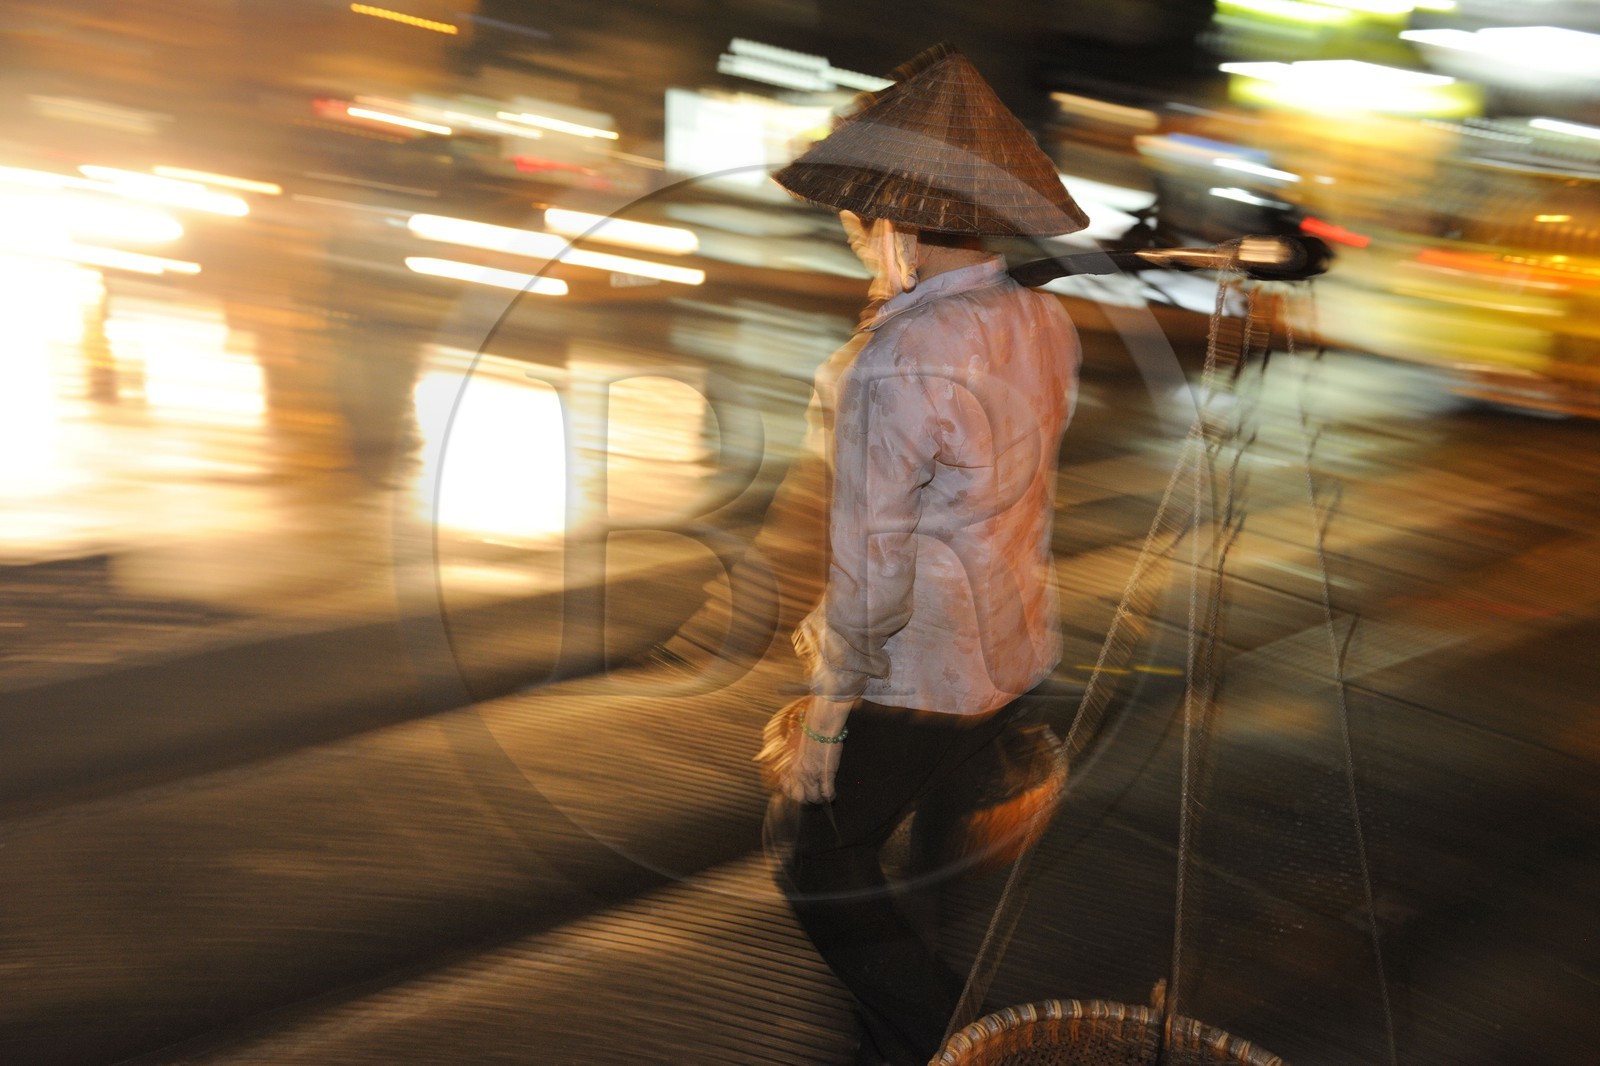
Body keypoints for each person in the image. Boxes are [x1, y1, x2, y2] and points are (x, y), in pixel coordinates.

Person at [760, 45, 1089, 1066]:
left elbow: (873, 562)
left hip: (920, 665)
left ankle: (963, 1043)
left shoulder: (897, 357)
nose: (855, 245)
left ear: (894, 222)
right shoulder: (1043, 318)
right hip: (1012, 646)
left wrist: (825, 716)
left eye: (857, 226)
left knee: (817, 864)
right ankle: (916, 1041)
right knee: (928, 885)